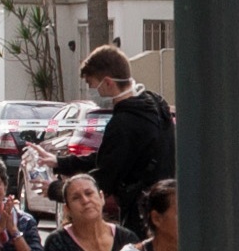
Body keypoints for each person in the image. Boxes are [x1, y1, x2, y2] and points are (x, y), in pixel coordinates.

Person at [51, 45, 175, 227]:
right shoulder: (154, 107)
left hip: (140, 216)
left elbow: (106, 177)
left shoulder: (124, 123)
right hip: (164, 209)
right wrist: (60, 162)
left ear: (108, 82)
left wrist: (56, 190)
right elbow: (112, 156)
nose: (93, 92)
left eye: (92, 85)